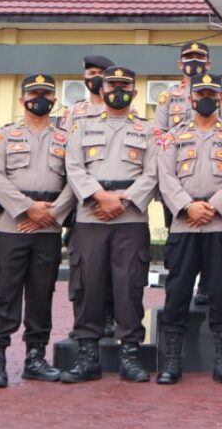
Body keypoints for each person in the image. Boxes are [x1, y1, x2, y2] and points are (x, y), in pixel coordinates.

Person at [62, 66, 159, 384]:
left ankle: (129, 354)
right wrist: (98, 197)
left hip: (130, 218)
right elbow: (73, 166)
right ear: (101, 91)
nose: (118, 90)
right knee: (88, 284)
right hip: (91, 217)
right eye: (112, 85)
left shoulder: (148, 129)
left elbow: (152, 172)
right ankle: (87, 354)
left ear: (134, 91)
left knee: (129, 286)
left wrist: (124, 201)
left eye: (125, 85)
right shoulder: (81, 126)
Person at [155, 73, 222, 385]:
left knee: (221, 294)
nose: (206, 99)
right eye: (202, 94)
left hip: (219, 223)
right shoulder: (172, 136)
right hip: (184, 224)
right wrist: (187, 206)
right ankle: (172, 360)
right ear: (191, 99)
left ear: (219, 98)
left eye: (212, 93)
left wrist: (213, 206)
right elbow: (165, 176)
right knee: (177, 292)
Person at [0, 74, 75, 388]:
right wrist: (26, 208)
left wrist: (52, 213)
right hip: (11, 225)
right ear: (22, 99)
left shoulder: (66, 138)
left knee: (41, 294)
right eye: (34, 93)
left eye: (46, 94)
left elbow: (74, 180)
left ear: (54, 99)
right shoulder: (4, 136)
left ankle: (35, 358)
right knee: (3, 294)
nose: (40, 98)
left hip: (48, 226)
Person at [154, 41, 222, 306]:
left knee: (217, 245)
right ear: (180, 63)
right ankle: (181, 282)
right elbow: (159, 135)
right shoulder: (168, 96)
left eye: (200, 58)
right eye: (189, 57)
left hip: (215, 177)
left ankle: (207, 287)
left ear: (209, 64)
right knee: (178, 241)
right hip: (178, 179)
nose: (193, 62)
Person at [58, 53, 118, 335]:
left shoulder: (121, 111)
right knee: (83, 265)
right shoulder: (72, 113)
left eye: (100, 73)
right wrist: (90, 194)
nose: (95, 78)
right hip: (80, 199)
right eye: (90, 72)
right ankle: (82, 318)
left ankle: (109, 315)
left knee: (111, 264)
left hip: (114, 199)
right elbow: (64, 157)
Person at [59, 55, 114, 131]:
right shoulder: (73, 110)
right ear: (84, 76)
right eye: (92, 73)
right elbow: (63, 138)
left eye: (101, 73)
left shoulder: (123, 108)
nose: (97, 77)